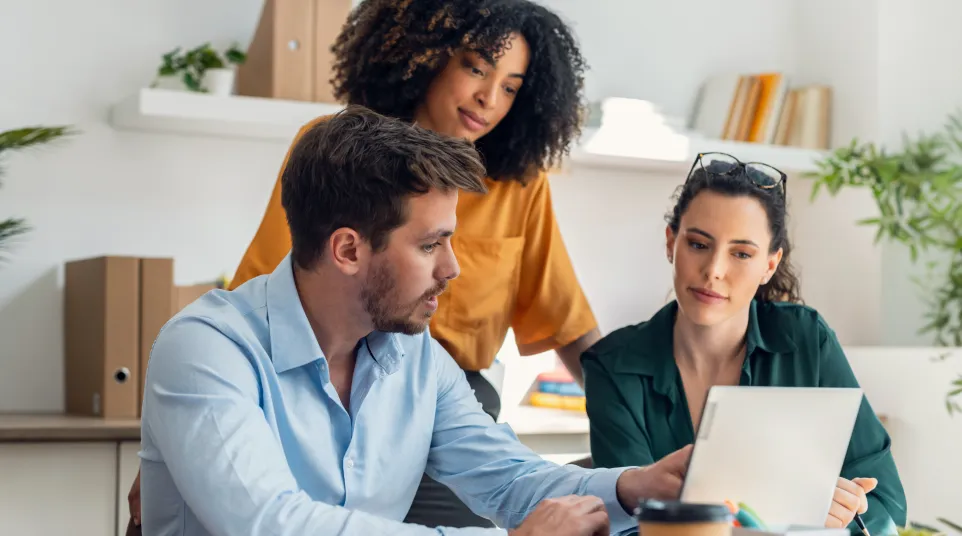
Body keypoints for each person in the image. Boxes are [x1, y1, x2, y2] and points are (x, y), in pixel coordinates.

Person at [128, 0, 607, 530]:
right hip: (309, 381)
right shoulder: (338, 161)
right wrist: (191, 434)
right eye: (476, 67)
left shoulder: (518, 187)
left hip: (438, 396)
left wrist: (635, 460)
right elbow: (265, 293)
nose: (489, 99)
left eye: (511, 87)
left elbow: (566, 322)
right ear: (427, 56)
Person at [139, 106, 693, 536]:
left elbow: (508, 478)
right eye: (431, 245)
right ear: (348, 250)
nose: (452, 269)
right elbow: (272, 524)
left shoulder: (416, 357)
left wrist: (631, 487)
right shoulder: (205, 350)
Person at [580, 153, 908, 536]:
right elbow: (631, 526)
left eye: (741, 254)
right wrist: (786, 513)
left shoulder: (807, 341)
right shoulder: (611, 365)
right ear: (671, 243)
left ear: (769, 265)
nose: (714, 270)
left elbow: (886, 507)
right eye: (699, 245)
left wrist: (839, 519)